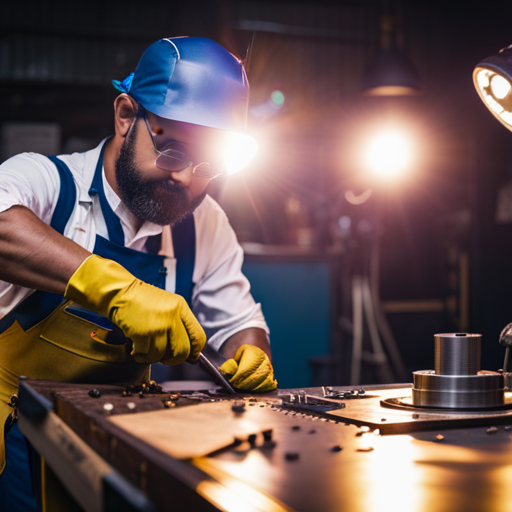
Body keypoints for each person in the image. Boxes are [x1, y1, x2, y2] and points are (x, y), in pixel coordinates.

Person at [0, 36, 277, 509]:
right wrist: (116, 290)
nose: (187, 178)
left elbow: (239, 324)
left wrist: (251, 357)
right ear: (126, 116)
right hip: (14, 440)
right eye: (173, 153)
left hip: (122, 444)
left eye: (208, 164)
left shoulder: (204, 223)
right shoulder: (48, 182)